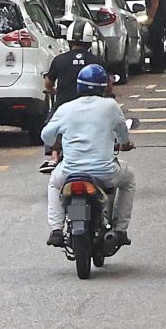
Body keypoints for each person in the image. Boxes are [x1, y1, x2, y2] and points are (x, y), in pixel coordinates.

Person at [42, 64, 136, 248]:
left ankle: (55, 230)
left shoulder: (65, 108)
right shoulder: (110, 105)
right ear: (103, 87)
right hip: (105, 172)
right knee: (129, 179)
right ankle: (120, 229)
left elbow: (46, 135)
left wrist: (57, 142)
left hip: (70, 172)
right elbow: (123, 133)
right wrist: (125, 144)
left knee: (54, 183)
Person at [40, 22, 108, 172]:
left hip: (63, 106)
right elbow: (107, 85)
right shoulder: (97, 61)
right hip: (92, 107)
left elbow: (48, 83)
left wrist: (54, 90)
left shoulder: (59, 60)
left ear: (69, 40)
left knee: (52, 124)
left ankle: (54, 156)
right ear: (90, 41)